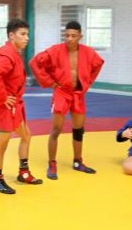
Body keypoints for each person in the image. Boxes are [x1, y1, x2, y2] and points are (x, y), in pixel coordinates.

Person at [29, 20, 104, 180]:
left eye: (73, 36)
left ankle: (78, 161)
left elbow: (98, 64)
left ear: (80, 36)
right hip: (61, 93)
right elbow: (35, 62)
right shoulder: (55, 50)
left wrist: (87, 81)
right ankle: (52, 163)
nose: (70, 39)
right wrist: (49, 82)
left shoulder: (88, 52)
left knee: (78, 130)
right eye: (67, 35)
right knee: (56, 130)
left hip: (77, 94)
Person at [0, 18, 42, 195]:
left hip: (14, 106)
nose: (26, 38)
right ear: (11, 35)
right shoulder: (6, 54)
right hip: (4, 109)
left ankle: (23, 172)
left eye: (27, 35)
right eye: (22, 34)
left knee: (26, 135)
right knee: (2, 145)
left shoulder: (13, 53)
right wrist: (1, 97)